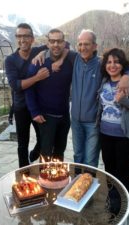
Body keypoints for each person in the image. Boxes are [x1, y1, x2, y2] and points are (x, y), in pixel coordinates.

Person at [71, 29, 129, 167]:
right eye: (80, 44)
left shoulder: (102, 64)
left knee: (90, 159)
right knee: (78, 155)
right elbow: (55, 49)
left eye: (87, 44)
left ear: (95, 46)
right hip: (75, 121)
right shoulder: (74, 59)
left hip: (93, 122)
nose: (82, 47)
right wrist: (42, 52)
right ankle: (77, 185)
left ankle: (89, 185)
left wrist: (126, 76)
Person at [97, 48, 129, 193]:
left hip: (127, 137)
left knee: (123, 173)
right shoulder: (104, 81)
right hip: (106, 134)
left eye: (117, 62)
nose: (112, 65)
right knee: (109, 170)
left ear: (123, 64)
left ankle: (123, 205)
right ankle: (112, 201)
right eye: (109, 62)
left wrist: (124, 100)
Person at [25, 29, 75, 162]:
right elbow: (29, 89)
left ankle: (58, 180)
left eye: (59, 41)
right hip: (46, 117)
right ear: (48, 43)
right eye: (52, 41)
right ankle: (44, 181)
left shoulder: (70, 61)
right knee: (45, 153)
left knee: (60, 151)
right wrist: (34, 112)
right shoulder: (38, 62)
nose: (56, 44)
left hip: (64, 116)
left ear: (64, 43)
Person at [5, 23, 50, 168]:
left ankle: (37, 157)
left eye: (26, 36)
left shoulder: (37, 51)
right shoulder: (10, 60)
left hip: (38, 106)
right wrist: (37, 78)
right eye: (19, 36)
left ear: (32, 39)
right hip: (21, 108)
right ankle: (23, 175)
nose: (22, 39)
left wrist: (45, 52)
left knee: (43, 139)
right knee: (22, 144)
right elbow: (16, 86)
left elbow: (63, 44)